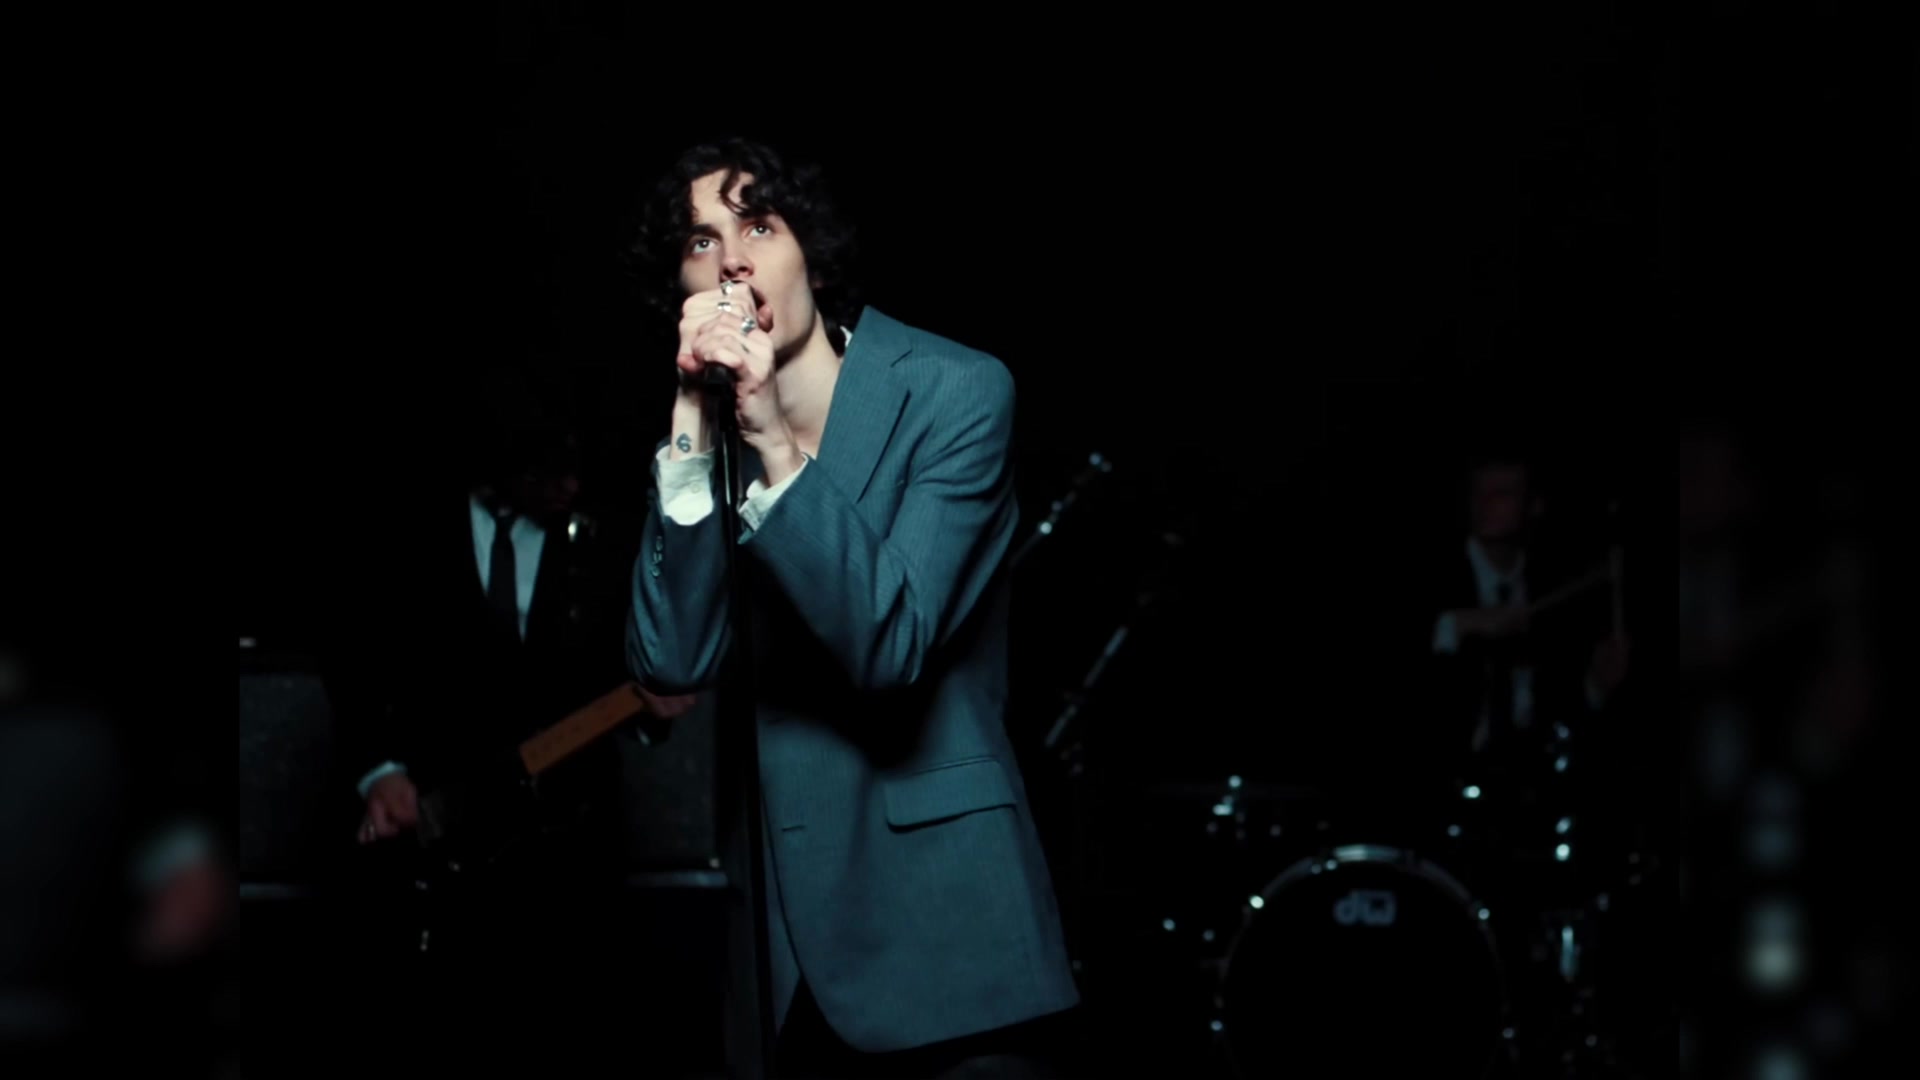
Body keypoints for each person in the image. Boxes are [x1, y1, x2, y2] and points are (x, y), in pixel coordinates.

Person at [624, 137, 1079, 1077]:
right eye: (702, 241)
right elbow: (671, 658)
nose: (733, 261)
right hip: (777, 953)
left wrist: (774, 446)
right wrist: (691, 418)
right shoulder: (707, 443)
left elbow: (890, 643)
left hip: (945, 936)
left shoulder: (954, 392)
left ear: (813, 256)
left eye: (759, 226)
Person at [1424, 451, 1630, 759]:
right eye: (1478, 492)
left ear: (1535, 506)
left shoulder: (1548, 586)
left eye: (1502, 493)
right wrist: (1458, 623)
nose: (1485, 503)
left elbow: (1557, 717)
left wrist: (1595, 687)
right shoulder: (1436, 575)